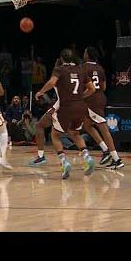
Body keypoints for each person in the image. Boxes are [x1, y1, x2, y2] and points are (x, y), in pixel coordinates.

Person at [30, 50, 96, 179]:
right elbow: (92, 89)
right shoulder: (81, 69)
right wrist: (80, 97)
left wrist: (40, 92)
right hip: (81, 106)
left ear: (61, 59)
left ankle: (64, 162)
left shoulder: (59, 70)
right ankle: (87, 157)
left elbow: (51, 83)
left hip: (65, 107)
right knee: (75, 133)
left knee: (54, 135)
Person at [81, 46, 124, 168]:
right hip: (101, 98)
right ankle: (105, 150)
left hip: (91, 100)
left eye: (84, 52)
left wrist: (81, 96)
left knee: (104, 130)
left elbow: (90, 89)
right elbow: (104, 87)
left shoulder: (83, 68)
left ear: (87, 55)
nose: (83, 54)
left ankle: (117, 159)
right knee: (87, 125)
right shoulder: (100, 68)